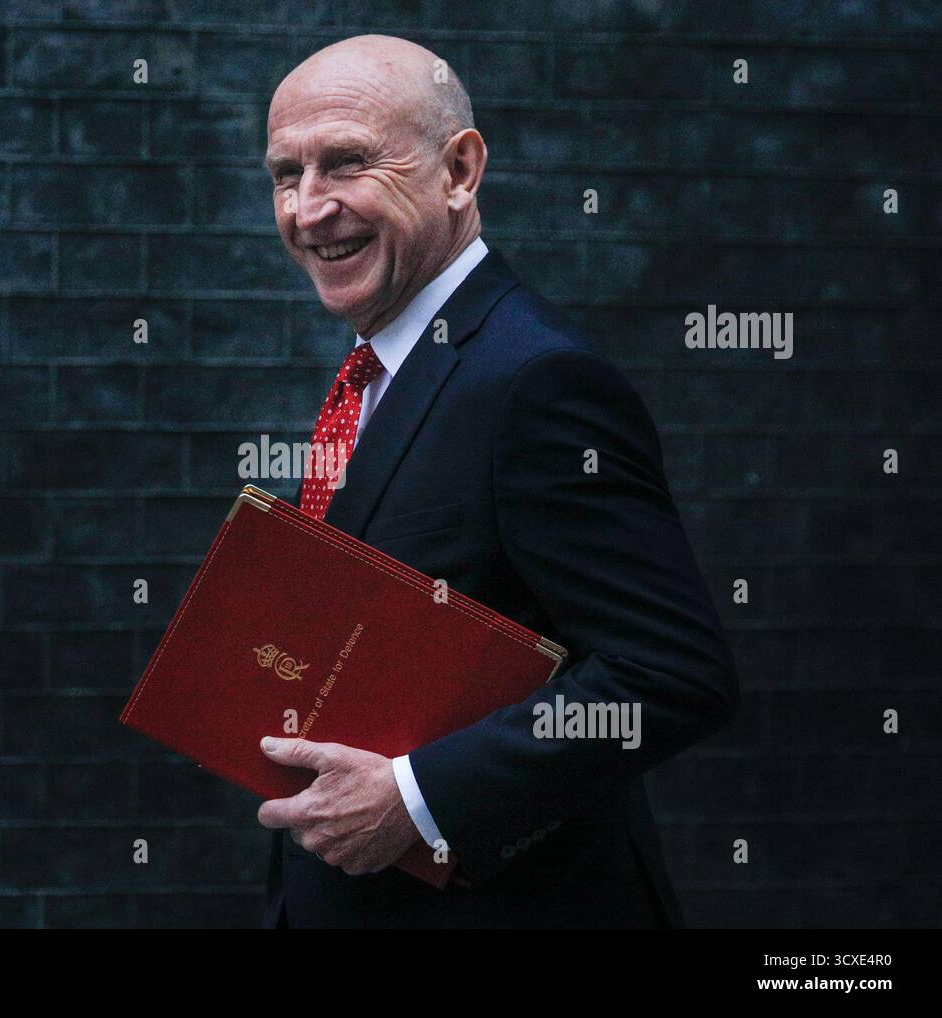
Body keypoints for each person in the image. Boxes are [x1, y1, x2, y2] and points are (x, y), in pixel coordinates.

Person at [255, 34, 739, 928]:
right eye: (287, 174)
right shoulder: (372, 371)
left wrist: (416, 796)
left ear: (460, 171)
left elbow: (672, 673)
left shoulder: (538, 382)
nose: (309, 209)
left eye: (348, 163)